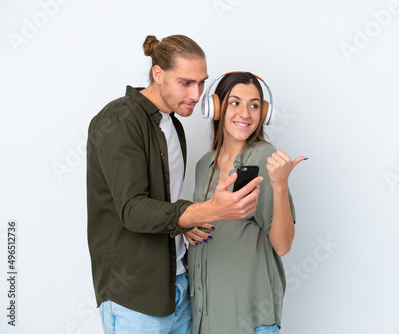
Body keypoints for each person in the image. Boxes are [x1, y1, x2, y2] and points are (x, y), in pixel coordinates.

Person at [86, 36, 263, 334]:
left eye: (201, 83)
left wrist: (184, 223)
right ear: (158, 74)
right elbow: (133, 210)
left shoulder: (173, 125)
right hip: (135, 298)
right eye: (186, 83)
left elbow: (163, 205)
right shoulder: (119, 120)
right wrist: (204, 210)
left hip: (178, 287)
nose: (196, 94)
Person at [185, 72, 306, 334]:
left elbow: (282, 245)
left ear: (263, 113)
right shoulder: (203, 165)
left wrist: (280, 185)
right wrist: (188, 224)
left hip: (249, 320)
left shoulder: (265, 158)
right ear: (216, 108)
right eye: (235, 103)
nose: (246, 114)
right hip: (206, 317)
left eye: (254, 105)